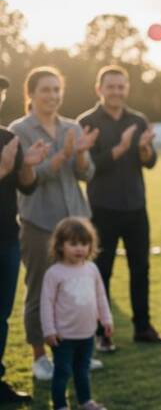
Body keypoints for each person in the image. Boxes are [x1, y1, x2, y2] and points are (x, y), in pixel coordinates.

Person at [9, 66, 99, 380]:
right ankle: (39, 357)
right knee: (39, 290)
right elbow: (27, 177)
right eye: (46, 90)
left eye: (57, 89)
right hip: (39, 221)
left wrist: (82, 154)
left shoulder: (72, 126)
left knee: (75, 290)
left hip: (75, 220)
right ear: (30, 94)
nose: (52, 96)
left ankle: (75, 352)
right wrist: (61, 157)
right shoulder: (19, 130)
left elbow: (85, 174)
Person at [78, 65, 161, 350]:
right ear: (99, 89)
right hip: (102, 208)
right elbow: (87, 169)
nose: (117, 92)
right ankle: (101, 333)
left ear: (127, 89)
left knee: (140, 269)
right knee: (101, 272)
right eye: (111, 87)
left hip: (135, 207)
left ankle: (142, 328)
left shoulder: (138, 120)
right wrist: (119, 149)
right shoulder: (87, 121)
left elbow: (150, 162)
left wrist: (144, 150)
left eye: (121, 87)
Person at [0, 75, 48, 403]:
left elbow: (27, 187)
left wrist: (26, 166)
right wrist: (3, 169)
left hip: (6, 240)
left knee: (0, 315)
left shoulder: (7, 138)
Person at [41, 217, 111, 410]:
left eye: (84, 243)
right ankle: (60, 405)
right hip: (63, 336)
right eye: (73, 244)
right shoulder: (54, 273)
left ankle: (85, 401)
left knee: (82, 370)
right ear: (60, 245)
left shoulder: (91, 269)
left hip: (87, 333)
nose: (79, 248)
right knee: (62, 371)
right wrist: (49, 330)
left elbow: (100, 296)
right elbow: (46, 304)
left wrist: (106, 319)